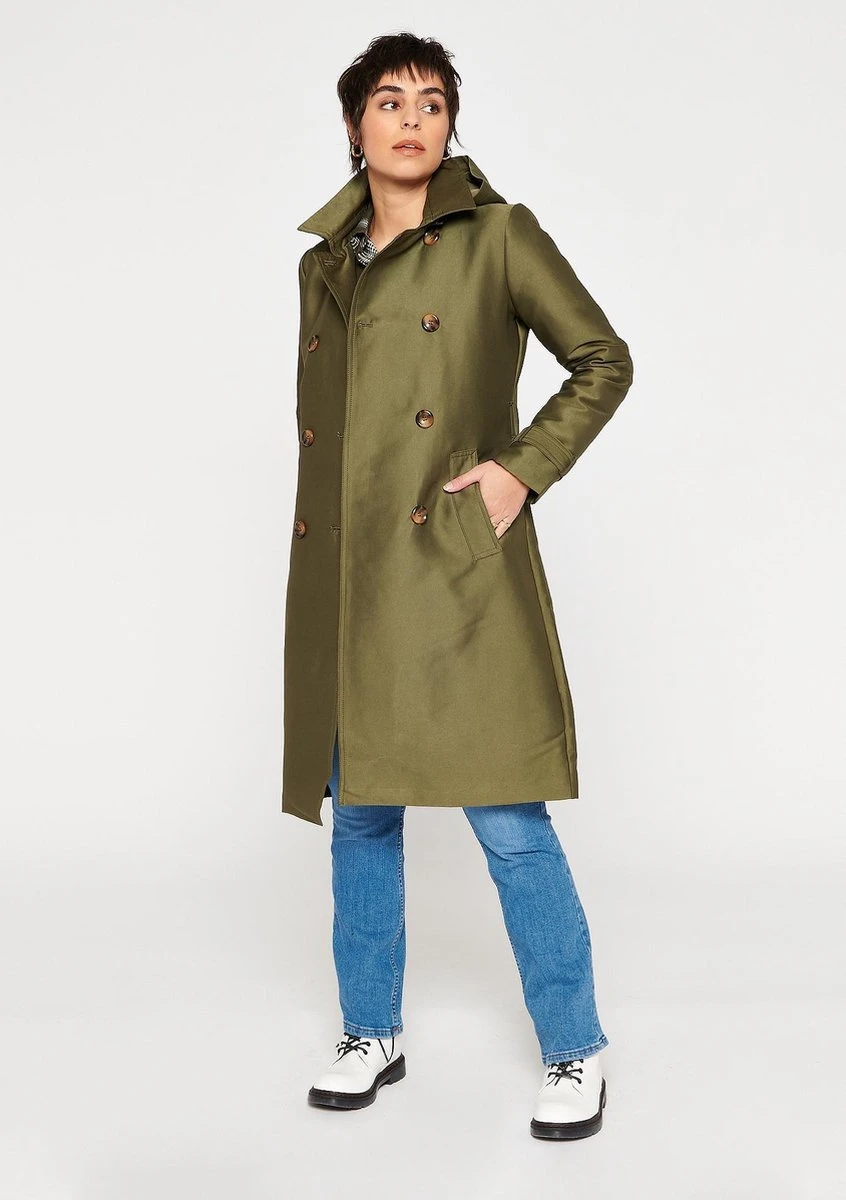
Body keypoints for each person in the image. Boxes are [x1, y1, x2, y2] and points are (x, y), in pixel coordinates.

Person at [285, 32, 634, 1141]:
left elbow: (604, 359)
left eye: (431, 102)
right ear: (355, 124)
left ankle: (575, 1046)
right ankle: (369, 1030)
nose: (411, 119)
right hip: (352, 573)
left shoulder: (500, 235)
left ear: (450, 125)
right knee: (360, 817)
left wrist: (519, 472)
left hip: (453, 563)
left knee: (509, 819)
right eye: (389, 101)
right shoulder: (325, 262)